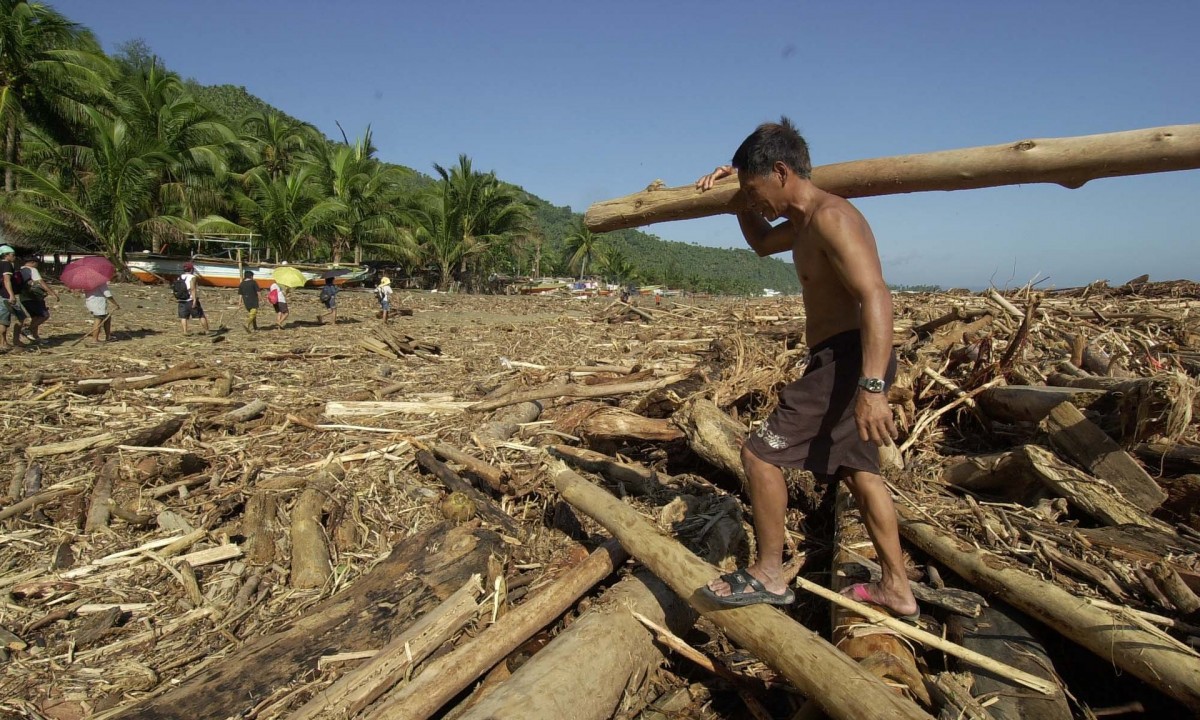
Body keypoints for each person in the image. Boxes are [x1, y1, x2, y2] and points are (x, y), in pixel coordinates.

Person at [694, 118, 915, 619]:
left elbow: (876, 295)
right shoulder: (802, 224)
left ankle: (770, 573)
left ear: (781, 171)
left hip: (849, 361)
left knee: (759, 455)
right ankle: (898, 589)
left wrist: (873, 387)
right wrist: (734, 194)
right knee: (860, 472)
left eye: (756, 190)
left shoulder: (832, 218)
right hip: (842, 359)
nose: (755, 202)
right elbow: (760, 242)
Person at [19, 256, 60, 343]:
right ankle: (28, 330)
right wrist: (52, 293)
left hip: (23, 297)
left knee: (35, 317)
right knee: (44, 315)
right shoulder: (32, 270)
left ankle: (35, 337)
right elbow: (41, 282)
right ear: (33, 262)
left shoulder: (19, 270)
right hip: (34, 297)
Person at [0, 244, 27, 350]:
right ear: (6, 255)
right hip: (6, 296)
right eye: (13, 254)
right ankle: (9, 341)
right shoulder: (6, 264)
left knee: (3, 320)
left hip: (1, 295)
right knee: (19, 317)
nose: (14, 257)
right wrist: (11, 295)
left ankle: (4, 342)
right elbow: (7, 280)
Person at [178, 261, 209, 335]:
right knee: (201, 315)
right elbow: (193, 288)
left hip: (182, 299)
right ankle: (207, 331)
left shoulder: (180, 277)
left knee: (184, 317)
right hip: (190, 299)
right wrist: (195, 300)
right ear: (191, 269)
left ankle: (185, 331)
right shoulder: (192, 277)